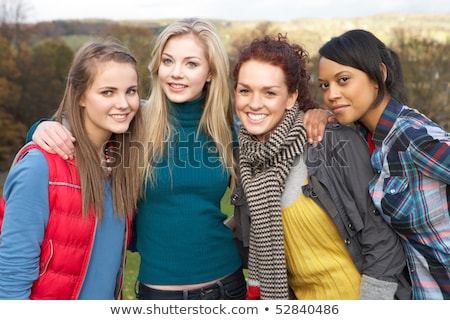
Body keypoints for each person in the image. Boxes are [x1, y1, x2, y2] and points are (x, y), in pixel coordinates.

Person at [25, 18, 248, 300]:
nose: (176, 73)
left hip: (226, 285)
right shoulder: (132, 119)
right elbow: (79, 123)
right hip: (158, 292)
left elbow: (254, 200)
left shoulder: (226, 129)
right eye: (168, 61)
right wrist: (40, 127)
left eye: (191, 64)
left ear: (210, 73)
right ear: (157, 66)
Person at [230, 34, 411, 300]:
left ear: (291, 98)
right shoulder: (246, 163)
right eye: (245, 90)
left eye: (270, 92)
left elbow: (383, 243)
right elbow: (250, 243)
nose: (254, 103)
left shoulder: (330, 142)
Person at [0, 40, 144, 299]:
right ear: (80, 97)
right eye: (107, 92)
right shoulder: (40, 167)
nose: (123, 103)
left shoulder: (121, 166)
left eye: (131, 91)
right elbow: (11, 276)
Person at [317, 29, 450, 299]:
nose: (331, 94)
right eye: (325, 85)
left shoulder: (411, 136)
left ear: (379, 75)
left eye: (343, 80)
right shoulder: (367, 139)